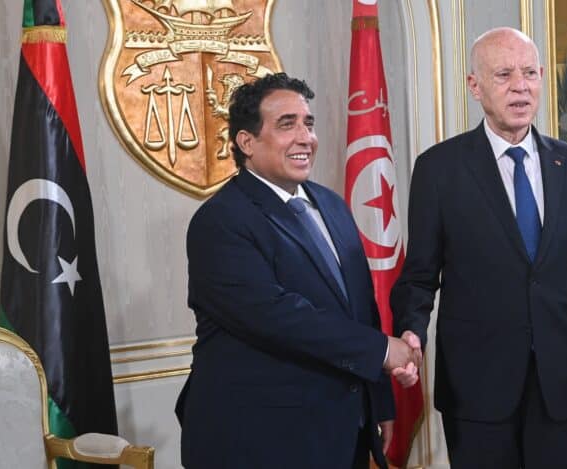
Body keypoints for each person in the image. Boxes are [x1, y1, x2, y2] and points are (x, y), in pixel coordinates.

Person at [390, 27, 567, 468]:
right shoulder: (439, 169)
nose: (520, 86)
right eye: (504, 75)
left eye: (529, 73)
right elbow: (419, 276)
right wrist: (411, 330)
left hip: (558, 388)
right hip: (477, 388)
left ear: (542, 77)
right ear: (475, 86)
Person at [174, 72, 420, 469]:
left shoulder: (332, 205)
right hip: (258, 440)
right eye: (287, 125)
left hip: (342, 431)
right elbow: (276, 317)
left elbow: (361, 310)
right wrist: (381, 351)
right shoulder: (221, 221)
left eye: (308, 123)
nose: (305, 137)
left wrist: (379, 399)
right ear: (246, 142)